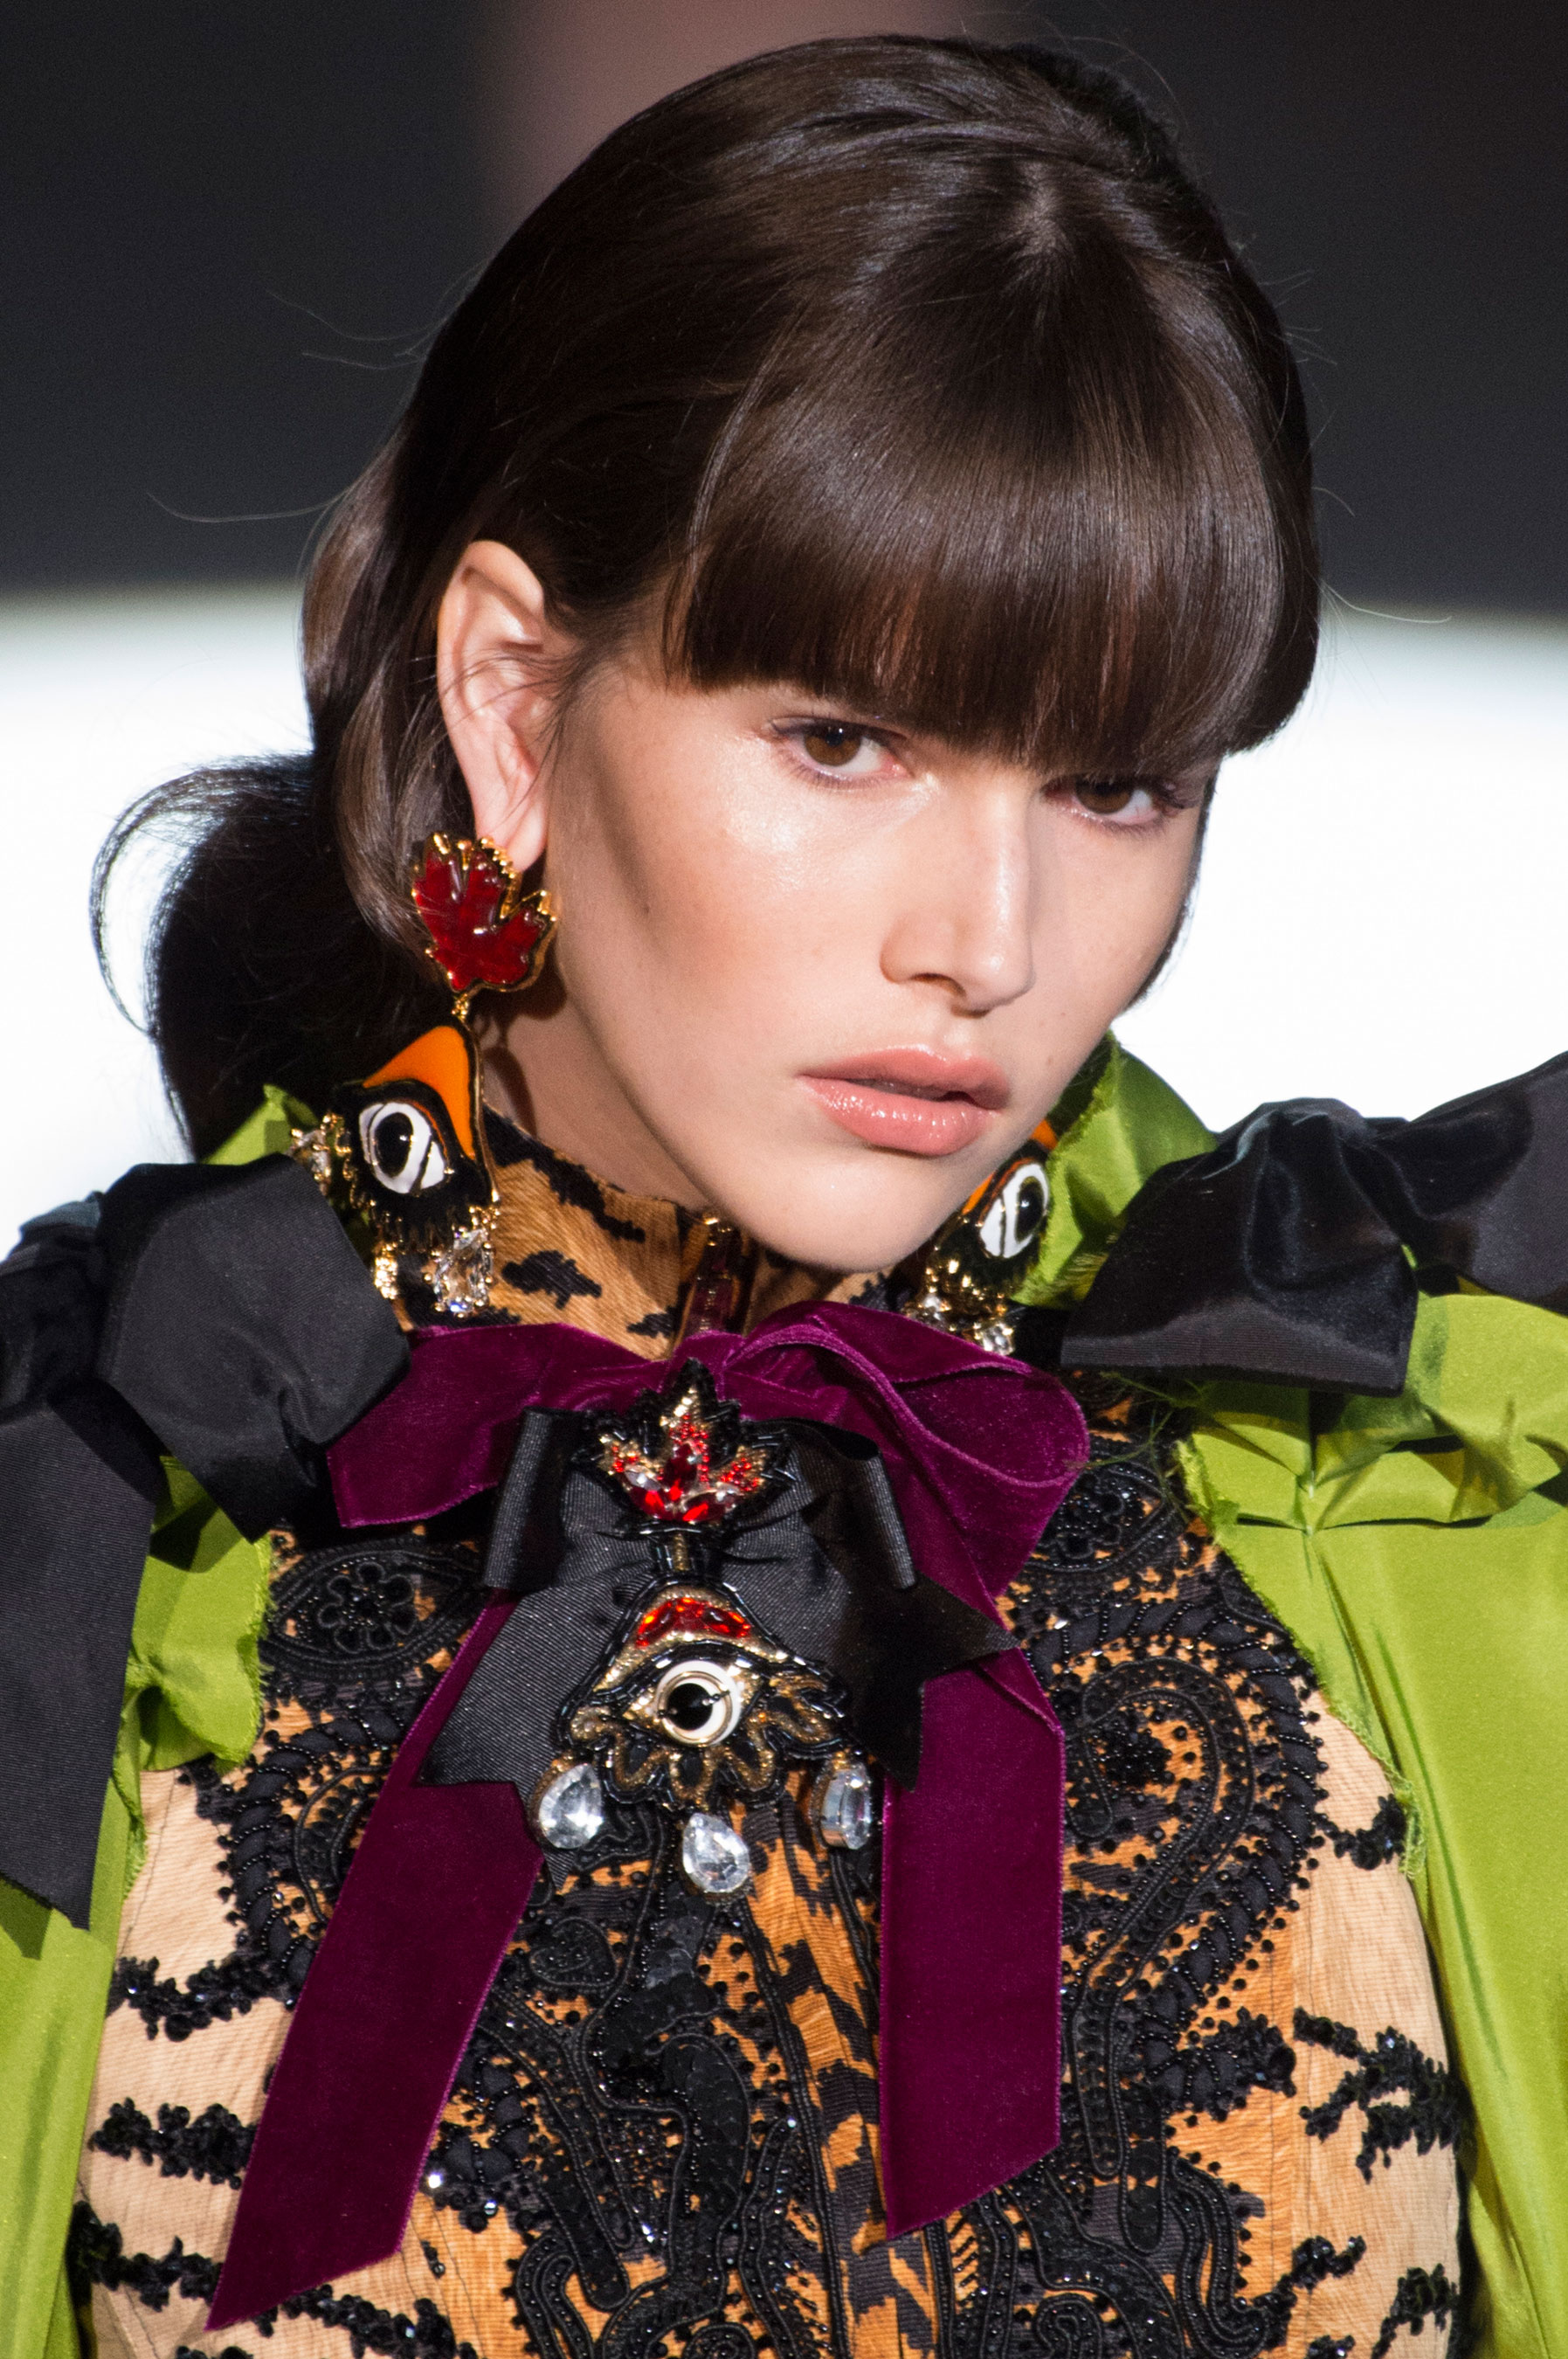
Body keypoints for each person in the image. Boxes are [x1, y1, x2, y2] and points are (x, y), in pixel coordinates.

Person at [3, 34, 1564, 2359]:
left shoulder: (1422, 1482)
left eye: (1119, 785)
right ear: (512, 701)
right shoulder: (83, 1533)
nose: (988, 944)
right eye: (842, 741)